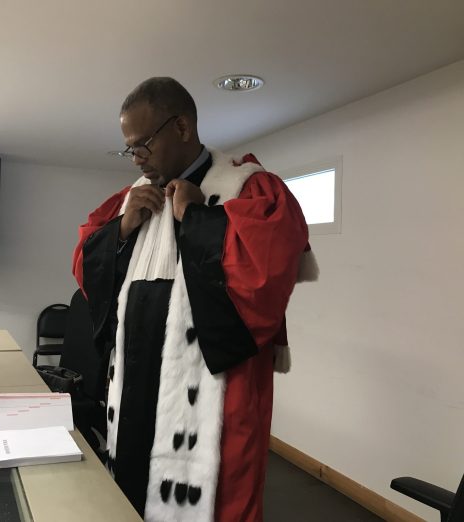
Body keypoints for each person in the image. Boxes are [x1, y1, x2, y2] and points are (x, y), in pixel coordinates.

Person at [72, 77, 316, 522]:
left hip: (214, 388)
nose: (137, 158)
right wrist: (122, 231)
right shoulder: (129, 200)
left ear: (182, 127)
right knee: (129, 489)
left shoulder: (249, 187)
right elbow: (86, 263)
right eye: (130, 149)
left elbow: (264, 275)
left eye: (143, 144)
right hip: (134, 379)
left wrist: (196, 216)